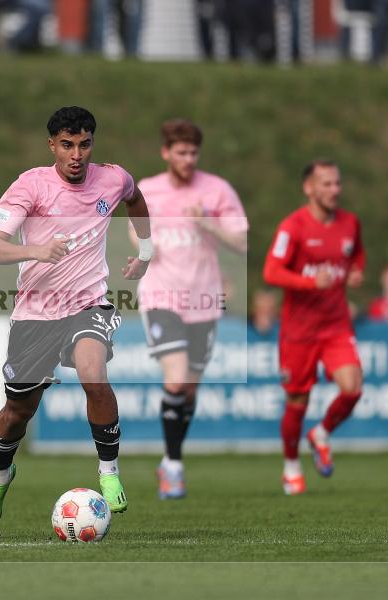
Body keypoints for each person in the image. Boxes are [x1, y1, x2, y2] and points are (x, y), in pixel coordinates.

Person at [0, 106, 152, 531]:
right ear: (52, 145)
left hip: (88, 303)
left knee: (94, 372)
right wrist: (35, 250)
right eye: (68, 145)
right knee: (17, 412)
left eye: (85, 144)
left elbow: (136, 198)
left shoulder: (112, 177)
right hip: (35, 314)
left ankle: (108, 473)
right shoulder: (30, 186)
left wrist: (146, 252)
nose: (77, 154)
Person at [132, 118, 248, 500]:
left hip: (204, 299)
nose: (188, 159)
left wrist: (208, 225)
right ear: (166, 152)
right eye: (180, 152)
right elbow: (134, 225)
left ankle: (168, 461)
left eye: (193, 152)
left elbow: (242, 242)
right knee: (177, 379)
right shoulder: (148, 189)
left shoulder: (217, 190)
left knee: (190, 391)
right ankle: (176, 466)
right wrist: (146, 246)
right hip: (161, 295)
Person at [263, 160, 366, 496]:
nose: (334, 190)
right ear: (309, 188)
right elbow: (271, 272)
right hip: (299, 330)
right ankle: (291, 465)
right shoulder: (293, 227)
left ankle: (320, 434)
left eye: (337, 183)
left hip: (336, 324)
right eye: (326, 184)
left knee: (352, 388)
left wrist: (355, 272)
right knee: (297, 401)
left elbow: (358, 255)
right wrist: (308, 281)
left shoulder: (350, 223)